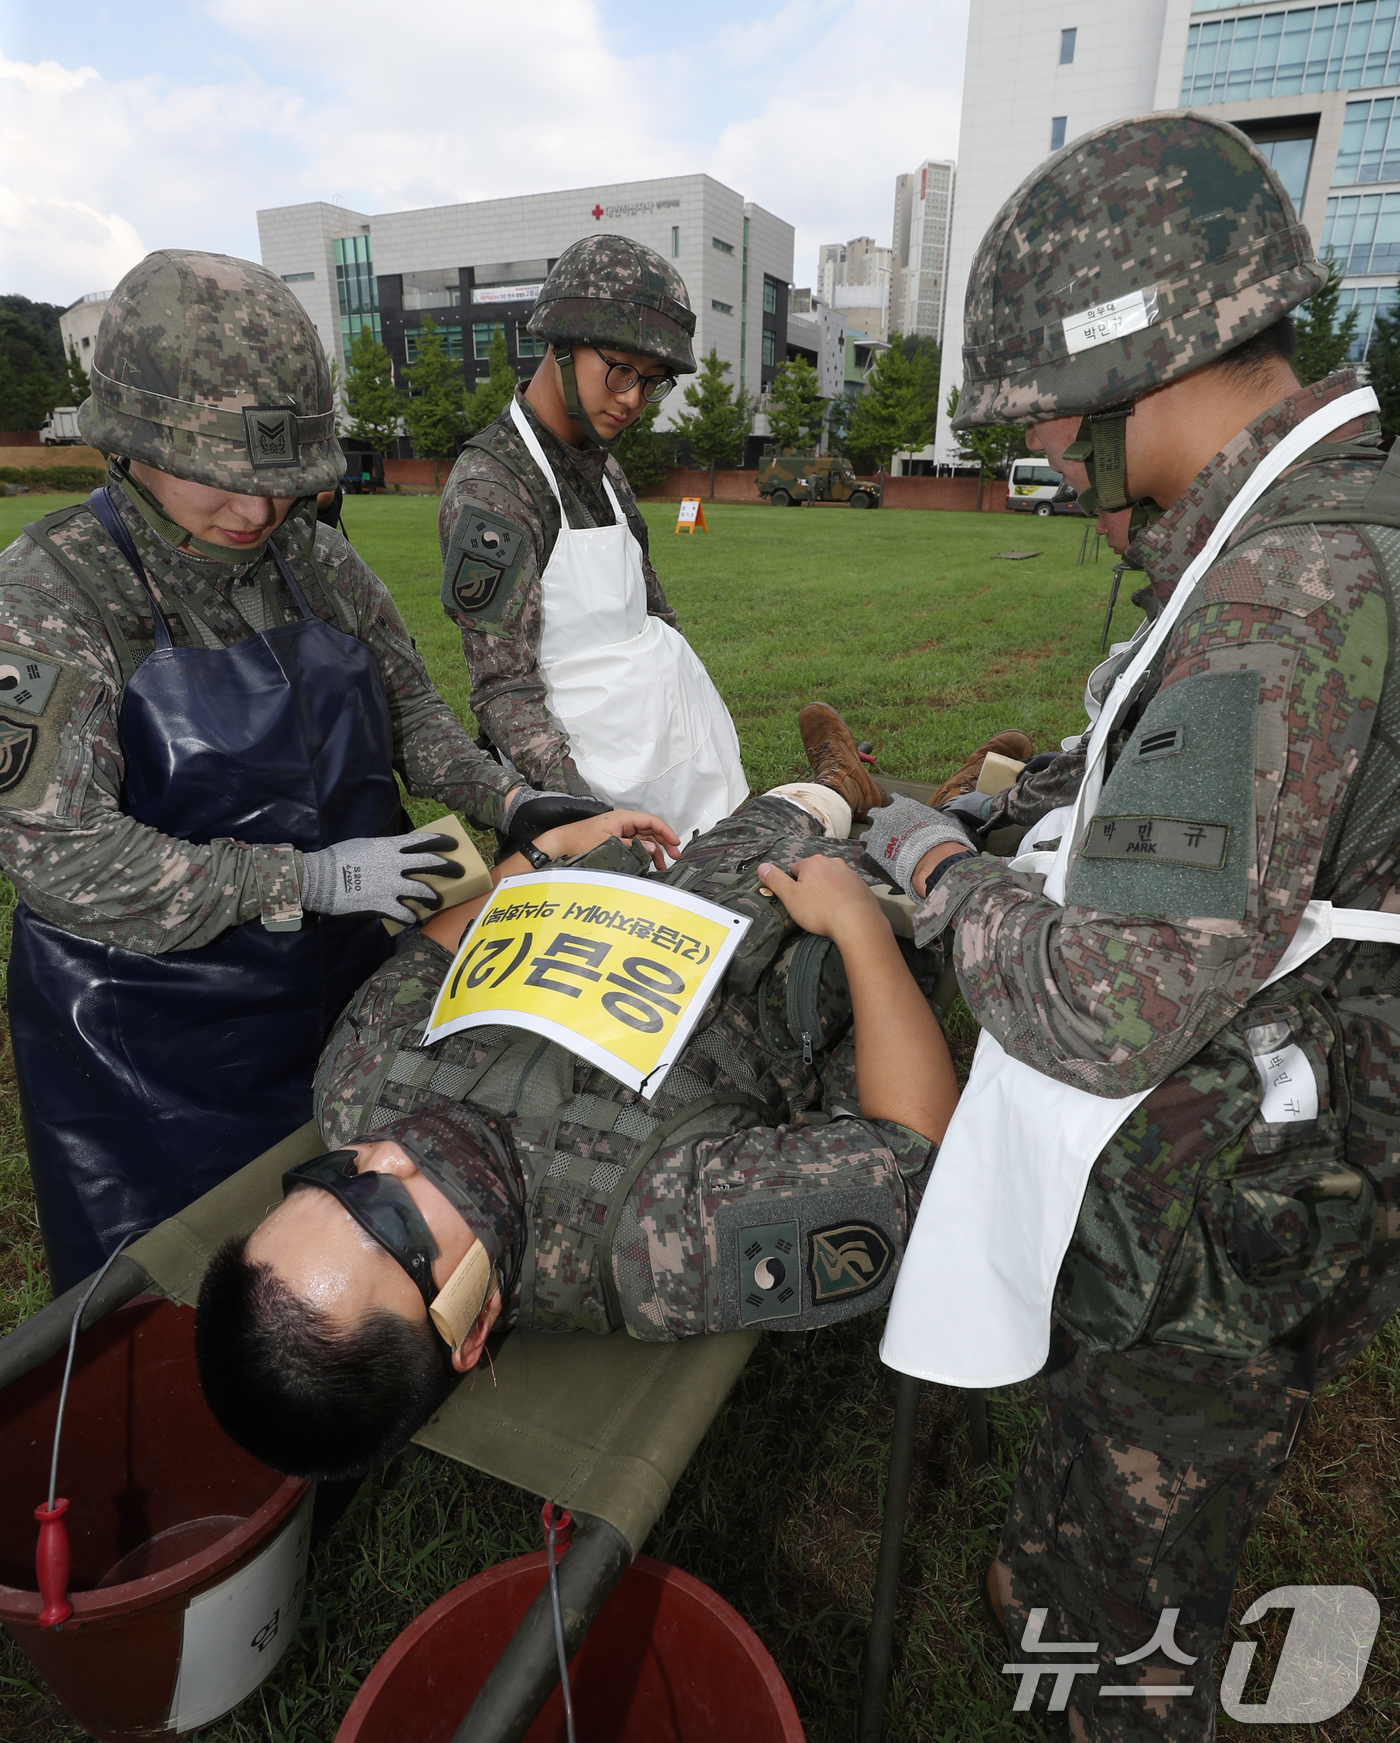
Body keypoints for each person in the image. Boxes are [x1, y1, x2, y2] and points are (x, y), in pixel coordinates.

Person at [865, 113, 1400, 1737]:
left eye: (1052, 425)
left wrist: (945, 883)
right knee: (1121, 1515)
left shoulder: (1281, 590)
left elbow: (1107, 1003)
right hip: (1296, 1135)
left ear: (1139, 374)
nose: (1051, 461)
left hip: (1243, 1181)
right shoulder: (1333, 505)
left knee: (1124, 1596)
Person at [0, 250, 624, 1295]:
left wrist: (508, 798)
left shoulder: (314, 561)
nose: (256, 514)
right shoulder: (57, 591)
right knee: (168, 1305)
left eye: (282, 484)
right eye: (227, 480)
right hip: (152, 1041)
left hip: (338, 997)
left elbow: (411, 712)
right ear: (134, 441)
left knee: (334, 1269)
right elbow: (64, 858)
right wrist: (316, 880)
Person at [194, 745, 958, 1481]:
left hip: (695, 871)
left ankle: (839, 784)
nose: (382, 1156)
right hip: (816, 926)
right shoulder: (657, 1236)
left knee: (781, 809)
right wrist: (857, 923)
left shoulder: (353, 1088)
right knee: (921, 861)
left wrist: (540, 860)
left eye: (330, 1175)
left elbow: (428, 957)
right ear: (472, 1320)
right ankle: (948, 815)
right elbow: (911, 1156)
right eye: (388, 1216)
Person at [438, 235, 750, 844]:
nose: (633, 398)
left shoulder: (604, 469)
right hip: (585, 790)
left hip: (674, 763)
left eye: (654, 380)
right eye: (620, 369)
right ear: (560, 343)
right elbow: (504, 687)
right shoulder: (494, 486)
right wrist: (589, 815)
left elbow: (654, 609)